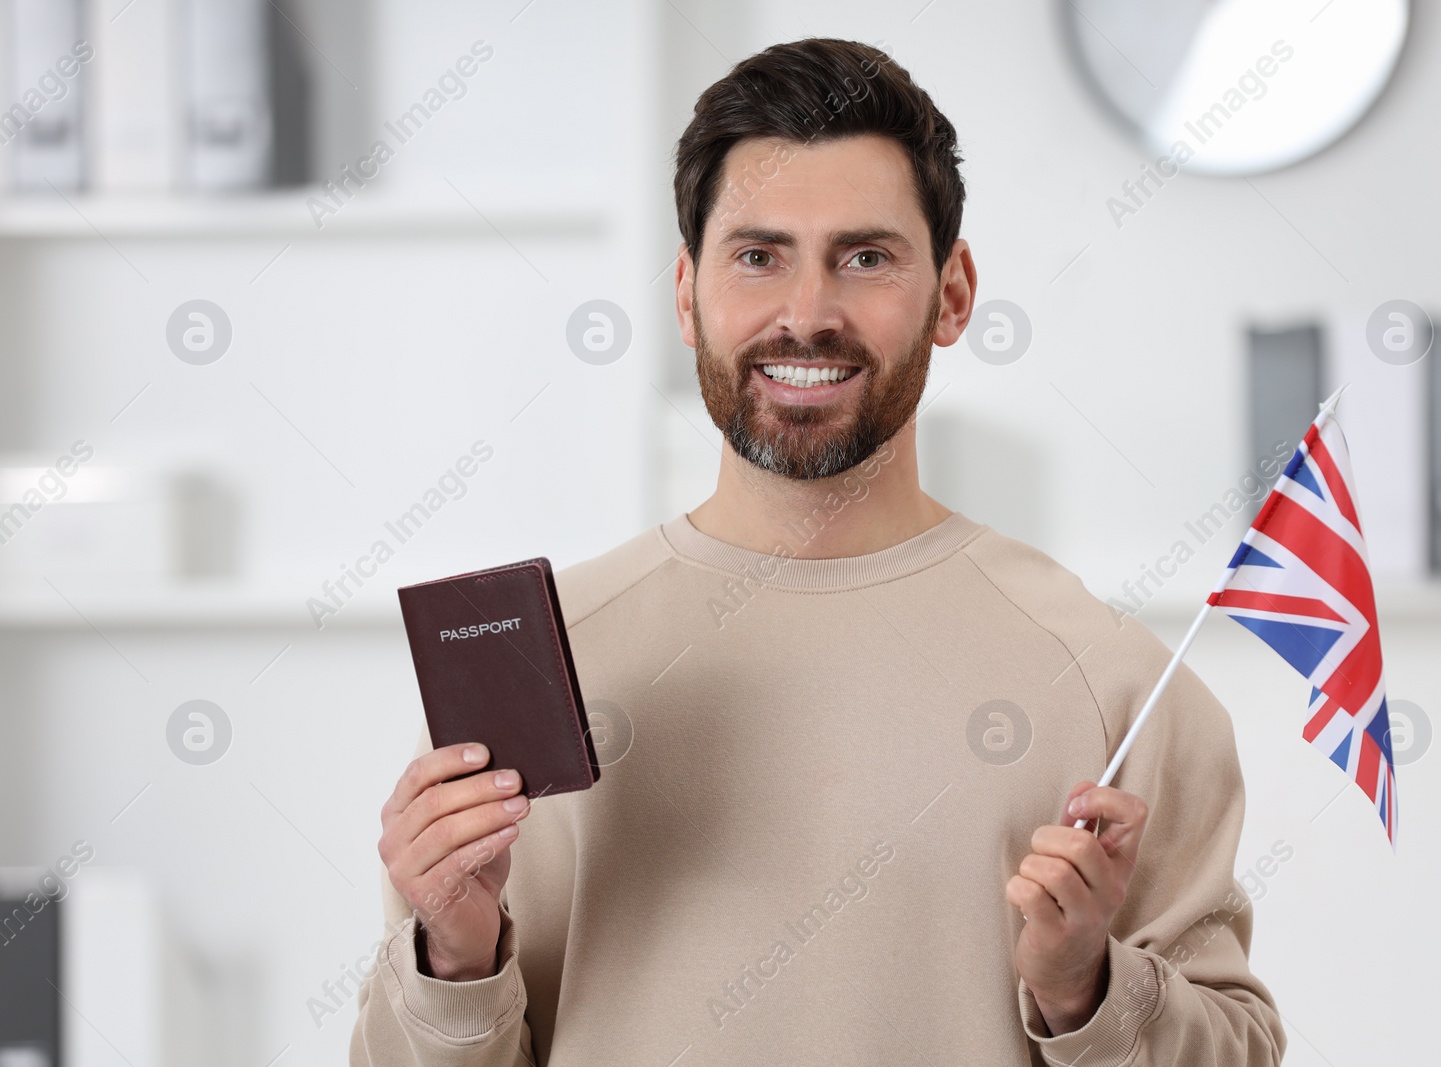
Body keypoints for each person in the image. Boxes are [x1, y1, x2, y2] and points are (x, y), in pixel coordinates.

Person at [351, 37, 1285, 1066]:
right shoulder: (542, 663)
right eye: (758, 256)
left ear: (954, 293)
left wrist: (1086, 991)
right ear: (685, 292)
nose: (806, 314)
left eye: (866, 256)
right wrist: (454, 957)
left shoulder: (1119, 687)